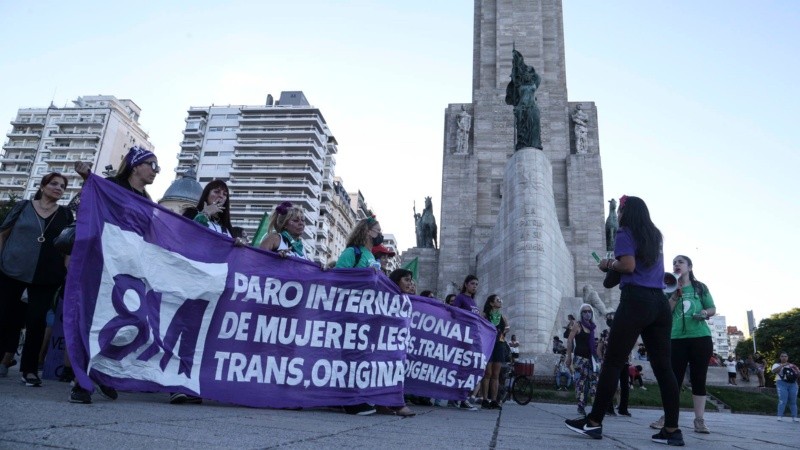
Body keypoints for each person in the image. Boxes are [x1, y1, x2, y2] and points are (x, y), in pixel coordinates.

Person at [565, 195, 684, 446]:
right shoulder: (655, 235)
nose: (617, 214)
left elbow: (628, 266)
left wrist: (609, 263)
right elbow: (634, 268)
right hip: (659, 304)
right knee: (664, 368)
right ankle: (672, 429)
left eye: (620, 210)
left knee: (613, 362)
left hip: (636, 301)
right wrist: (612, 270)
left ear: (626, 212)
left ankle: (594, 422)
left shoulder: (625, 232)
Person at [0, 173, 74, 386]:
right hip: (11, 270)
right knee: (4, 317)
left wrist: (66, 270)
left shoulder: (65, 214)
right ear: (42, 186)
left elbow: (69, 246)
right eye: (54, 183)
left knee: (36, 322)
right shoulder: (23, 207)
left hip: (46, 276)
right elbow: (3, 234)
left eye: (62, 186)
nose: (58, 188)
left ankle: (29, 370)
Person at [650, 255, 716, 434]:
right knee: (673, 380)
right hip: (676, 338)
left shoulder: (700, 287)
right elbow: (664, 313)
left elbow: (712, 309)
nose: (676, 264)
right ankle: (668, 417)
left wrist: (704, 312)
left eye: (680, 262)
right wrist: (674, 296)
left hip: (700, 338)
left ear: (690, 266)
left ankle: (699, 420)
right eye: (674, 263)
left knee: (698, 379)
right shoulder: (667, 287)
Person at [566, 303, 599, 417]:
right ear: (581, 313)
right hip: (580, 359)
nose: (587, 313)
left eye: (589, 311)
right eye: (584, 311)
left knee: (594, 382)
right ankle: (581, 405)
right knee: (580, 382)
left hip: (591, 359)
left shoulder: (592, 327)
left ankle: (595, 406)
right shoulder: (578, 325)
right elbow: (570, 340)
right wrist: (568, 356)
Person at [479, 294, 509, 409]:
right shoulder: (485, 315)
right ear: (491, 303)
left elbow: (507, 327)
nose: (500, 301)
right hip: (488, 345)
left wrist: (505, 330)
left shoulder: (503, 317)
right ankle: (485, 399)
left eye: (500, 299)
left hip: (499, 345)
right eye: (498, 300)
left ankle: (494, 400)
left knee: (496, 374)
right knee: (487, 373)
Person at [771, 351, 799, 422]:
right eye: (782, 356)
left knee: (793, 401)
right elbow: (774, 371)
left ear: (787, 357)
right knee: (782, 400)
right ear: (780, 357)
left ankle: (794, 417)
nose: (784, 358)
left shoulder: (792, 365)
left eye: (785, 356)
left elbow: (798, 373)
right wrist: (782, 365)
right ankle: (780, 416)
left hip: (793, 384)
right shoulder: (776, 364)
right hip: (781, 383)